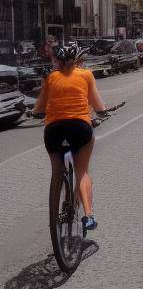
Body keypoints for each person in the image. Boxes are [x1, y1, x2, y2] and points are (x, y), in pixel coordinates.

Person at [34, 42, 107, 236]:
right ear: (76, 60)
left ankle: (54, 208)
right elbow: (98, 105)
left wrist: (36, 113)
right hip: (80, 127)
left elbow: (39, 108)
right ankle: (89, 215)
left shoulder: (50, 78)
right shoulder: (86, 75)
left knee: (56, 172)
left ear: (58, 61)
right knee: (82, 171)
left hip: (54, 130)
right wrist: (102, 113)